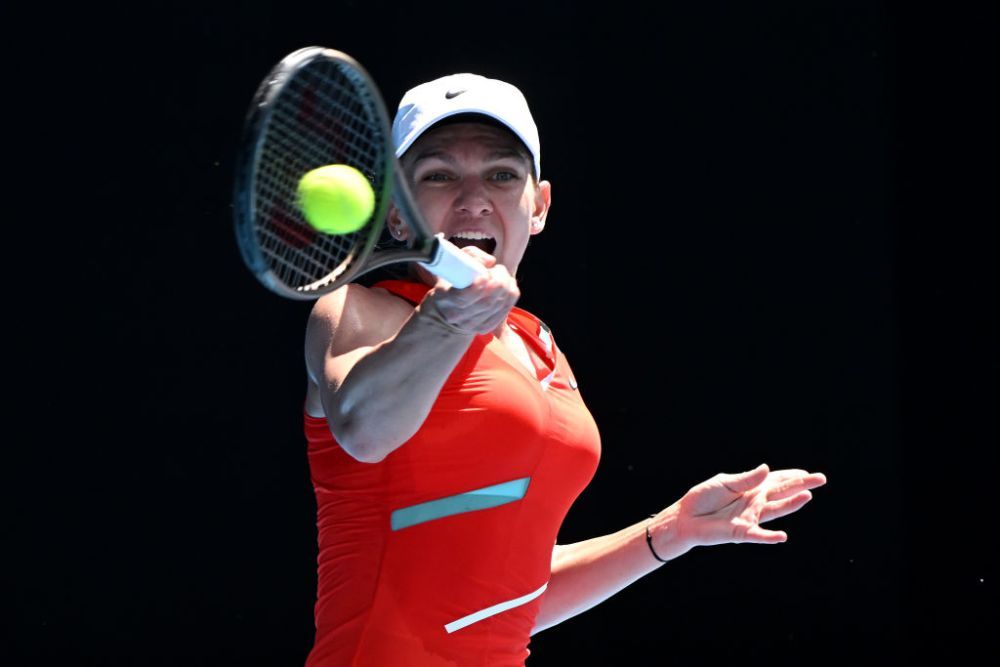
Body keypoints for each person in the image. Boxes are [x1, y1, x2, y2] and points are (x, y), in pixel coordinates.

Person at [301, 73, 826, 666]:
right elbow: (364, 432)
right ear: (397, 214)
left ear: (539, 206)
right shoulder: (358, 311)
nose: (473, 197)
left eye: (502, 174)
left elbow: (506, 596)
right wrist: (446, 320)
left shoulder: (539, 346)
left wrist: (667, 533)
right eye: (439, 174)